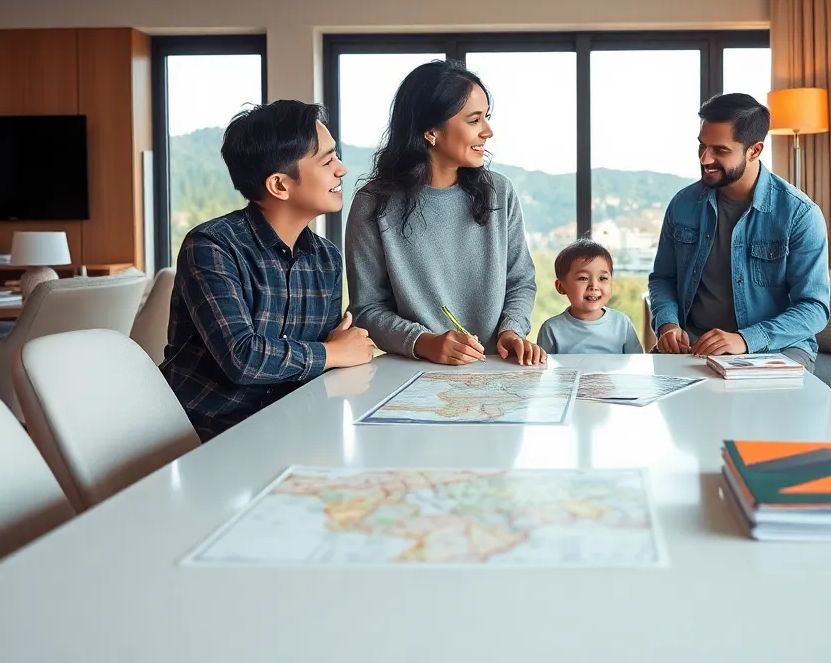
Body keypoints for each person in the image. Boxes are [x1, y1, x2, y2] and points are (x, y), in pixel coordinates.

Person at [162, 100, 374, 441]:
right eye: (327, 160)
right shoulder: (211, 246)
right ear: (279, 185)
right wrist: (333, 352)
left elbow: (322, 364)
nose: (342, 169)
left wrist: (334, 352)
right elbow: (243, 358)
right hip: (206, 436)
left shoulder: (326, 258)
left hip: (291, 426)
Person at [345, 60, 545, 366]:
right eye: (474, 120)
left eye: (486, 118)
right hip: (411, 374)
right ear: (431, 131)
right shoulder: (373, 204)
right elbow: (368, 309)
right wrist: (424, 343)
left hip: (495, 371)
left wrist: (511, 332)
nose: (488, 131)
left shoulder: (500, 193)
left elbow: (520, 281)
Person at [647, 93, 830, 366]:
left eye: (719, 150)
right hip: (694, 344)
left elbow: (814, 308)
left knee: (760, 403)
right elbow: (663, 279)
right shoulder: (682, 205)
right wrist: (667, 325)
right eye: (702, 146)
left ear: (754, 151)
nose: (705, 158)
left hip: (775, 349)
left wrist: (745, 339)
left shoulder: (799, 214)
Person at [536, 238, 643, 355]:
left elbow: (636, 364)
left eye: (602, 278)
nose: (594, 286)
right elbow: (543, 370)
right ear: (560, 286)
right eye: (583, 278)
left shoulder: (621, 323)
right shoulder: (551, 329)